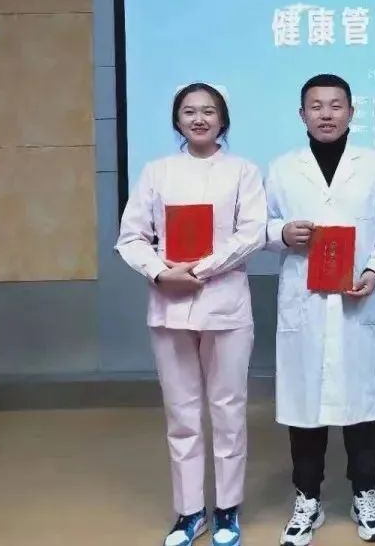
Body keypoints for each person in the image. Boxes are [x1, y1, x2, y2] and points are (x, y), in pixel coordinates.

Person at [116, 82, 267, 546]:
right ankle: (189, 512)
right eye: (189, 111)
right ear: (177, 120)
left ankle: (227, 508)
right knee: (181, 413)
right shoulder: (156, 172)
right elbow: (130, 237)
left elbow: (252, 233)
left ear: (223, 120)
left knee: (228, 409)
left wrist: (197, 269)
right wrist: (162, 273)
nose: (199, 119)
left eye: (208, 111)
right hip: (169, 306)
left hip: (225, 303)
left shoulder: (243, 171)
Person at [264, 73, 375, 546]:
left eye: (336, 105)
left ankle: (365, 494)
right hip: (305, 304)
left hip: (359, 299)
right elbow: (258, 224)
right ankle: (308, 499)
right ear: (302, 114)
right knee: (305, 408)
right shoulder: (282, 169)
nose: (326, 114)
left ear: (351, 112)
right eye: (316, 106)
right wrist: (281, 234)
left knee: (362, 408)